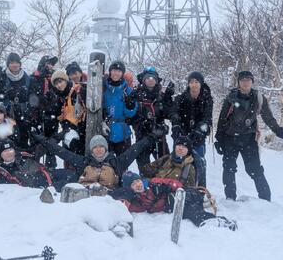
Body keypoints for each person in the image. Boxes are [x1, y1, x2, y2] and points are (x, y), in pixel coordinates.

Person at [215, 71, 283, 201]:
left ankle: (265, 200)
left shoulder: (258, 98)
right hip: (230, 138)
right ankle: (230, 199)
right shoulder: (231, 98)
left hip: (248, 139)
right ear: (239, 82)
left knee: (255, 170)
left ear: (252, 81)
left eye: (248, 79)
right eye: (242, 80)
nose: (245, 82)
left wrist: (278, 130)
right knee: (229, 168)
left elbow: (268, 117)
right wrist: (218, 140)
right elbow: (222, 120)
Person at [114, 171, 237, 231]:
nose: (138, 184)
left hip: (183, 196)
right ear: (129, 188)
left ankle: (216, 222)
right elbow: (122, 207)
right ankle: (213, 220)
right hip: (173, 205)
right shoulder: (136, 201)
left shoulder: (153, 183)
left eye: (138, 181)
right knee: (187, 211)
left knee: (189, 211)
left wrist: (171, 188)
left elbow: (176, 183)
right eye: (133, 184)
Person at [34, 133, 153, 190]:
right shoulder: (85, 162)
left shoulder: (116, 162)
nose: (99, 149)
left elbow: (134, 149)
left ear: (106, 148)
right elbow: (61, 152)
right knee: (62, 176)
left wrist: (150, 137)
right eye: (95, 147)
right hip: (85, 197)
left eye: (101, 146)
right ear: (92, 150)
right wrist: (44, 141)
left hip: (109, 197)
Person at [0, 139, 77, 192]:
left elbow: (35, 152)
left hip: (48, 175)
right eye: (5, 151)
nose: (9, 153)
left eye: (10, 149)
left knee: (73, 175)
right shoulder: (1, 170)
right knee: (69, 185)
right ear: (0, 154)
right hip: (41, 187)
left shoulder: (22, 157)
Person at [129, 67, 175, 173]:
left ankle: (163, 186)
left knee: (164, 165)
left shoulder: (161, 95)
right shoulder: (136, 94)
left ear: (156, 80)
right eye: (148, 78)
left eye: (153, 78)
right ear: (144, 80)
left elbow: (169, 112)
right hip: (142, 136)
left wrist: (168, 97)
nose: (150, 80)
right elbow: (131, 115)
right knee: (144, 166)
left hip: (159, 136)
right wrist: (142, 125)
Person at [172, 71, 213, 186]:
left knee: (199, 162)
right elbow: (174, 113)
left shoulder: (207, 99)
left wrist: (199, 130)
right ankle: (176, 187)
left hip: (198, 137)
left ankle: (200, 188)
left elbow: (207, 119)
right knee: (177, 162)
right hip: (182, 135)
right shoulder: (181, 98)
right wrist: (176, 125)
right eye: (191, 82)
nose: (194, 84)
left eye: (196, 82)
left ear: (201, 83)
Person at [45, 70, 87, 157]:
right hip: (68, 132)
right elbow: (54, 114)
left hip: (82, 133)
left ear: (66, 80)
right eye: (56, 84)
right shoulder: (60, 97)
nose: (59, 85)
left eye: (60, 81)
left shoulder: (79, 91)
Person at [28, 55, 59, 168]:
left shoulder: (55, 78)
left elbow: (59, 94)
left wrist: (52, 101)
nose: (50, 66)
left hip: (52, 115)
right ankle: (33, 167)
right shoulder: (34, 77)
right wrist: (39, 99)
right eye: (48, 63)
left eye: (52, 64)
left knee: (51, 143)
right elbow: (30, 96)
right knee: (36, 143)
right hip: (36, 116)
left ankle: (51, 168)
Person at [0, 52, 31, 149]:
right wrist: (2, 86)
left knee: (24, 139)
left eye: (16, 62)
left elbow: (33, 96)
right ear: (8, 64)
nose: (14, 65)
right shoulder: (3, 77)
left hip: (24, 113)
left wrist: (27, 100)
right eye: (11, 63)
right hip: (8, 113)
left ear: (20, 64)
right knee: (10, 140)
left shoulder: (27, 78)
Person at [102, 61, 138, 155]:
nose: (116, 73)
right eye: (114, 70)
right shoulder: (103, 88)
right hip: (106, 131)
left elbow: (131, 114)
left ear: (122, 73)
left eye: (119, 71)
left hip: (123, 132)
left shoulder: (128, 90)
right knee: (106, 165)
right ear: (110, 72)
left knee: (122, 165)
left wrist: (129, 105)